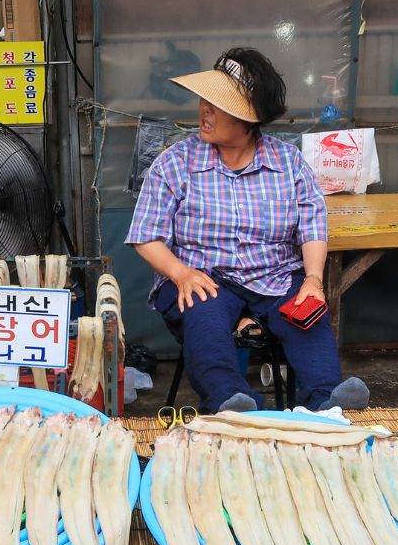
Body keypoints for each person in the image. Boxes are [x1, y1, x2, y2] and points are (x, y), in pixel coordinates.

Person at [126, 47, 367, 414]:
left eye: (217, 105)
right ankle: (232, 402)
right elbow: (146, 235)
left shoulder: (287, 162)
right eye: (205, 101)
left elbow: (312, 224)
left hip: (274, 274)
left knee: (306, 313)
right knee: (203, 314)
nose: (204, 110)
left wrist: (313, 280)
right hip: (205, 276)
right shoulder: (175, 162)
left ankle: (327, 402)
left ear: (247, 118)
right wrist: (180, 273)